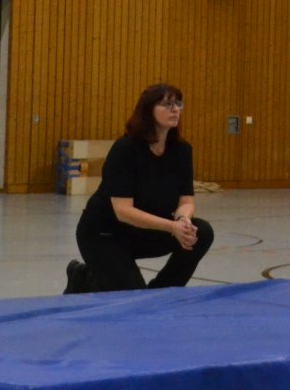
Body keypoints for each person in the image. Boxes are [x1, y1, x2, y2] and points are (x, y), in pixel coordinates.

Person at [64, 83, 214, 294]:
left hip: (143, 232)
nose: (175, 109)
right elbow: (123, 211)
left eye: (178, 104)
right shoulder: (125, 150)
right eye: (167, 104)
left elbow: (186, 199)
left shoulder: (182, 150)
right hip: (104, 234)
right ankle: (84, 278)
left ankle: (161, 292)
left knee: (201, 232)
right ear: (148, 110)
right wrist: (171, 227)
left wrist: (183, 221)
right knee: (133, 297)